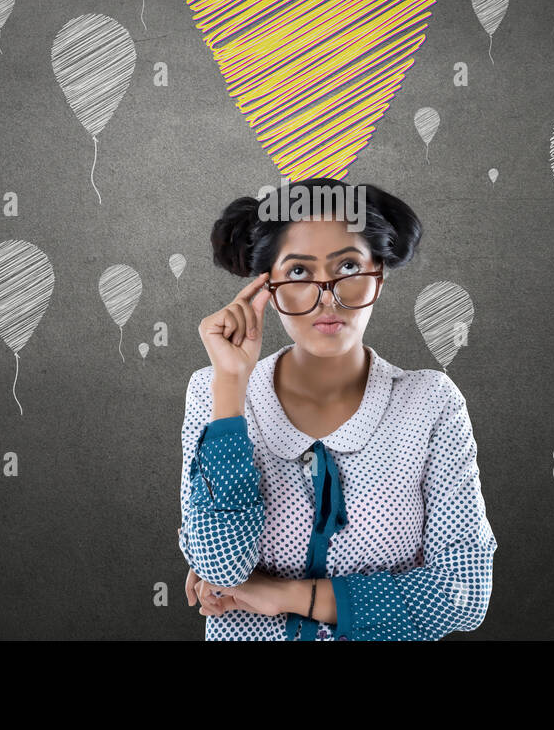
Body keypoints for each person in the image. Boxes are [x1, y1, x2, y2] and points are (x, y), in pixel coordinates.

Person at [177, 177, 497, 640]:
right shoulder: (212, 391)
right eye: (300, 273)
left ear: (379, 275)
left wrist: (287, 595)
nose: (328, 298)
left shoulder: (432, 402)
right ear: (266, 286)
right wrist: (231, 385)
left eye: (348, 266)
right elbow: (220, 565)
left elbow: (460, 595)